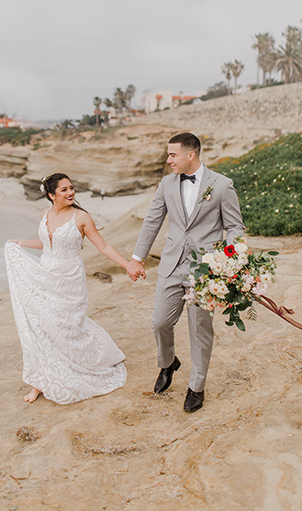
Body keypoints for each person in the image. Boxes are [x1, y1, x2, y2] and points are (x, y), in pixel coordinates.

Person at [126, 132, 244, 413]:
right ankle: (168, 362)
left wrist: (230, 259)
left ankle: (196, 387)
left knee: (200, 330)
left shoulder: (222, 185)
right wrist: (136, 258)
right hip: (171, 263)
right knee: (159, 323)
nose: (168, 160)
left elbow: (235, 227)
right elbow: (153, 220)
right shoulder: (166, 184)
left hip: (205, 271)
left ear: (190, 155)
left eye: (172, 155)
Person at [4, 172, 128, 405]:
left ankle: (88, 363)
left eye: (71, 188)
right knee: (42, 325)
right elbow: (46, 243)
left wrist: (127, 264)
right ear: (51, 195)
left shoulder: (81, 217)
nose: (70, 192)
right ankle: (39, 382)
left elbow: (103, 246)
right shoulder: (45, 214)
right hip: (45, 276)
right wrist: (20, 243)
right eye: (64, 189)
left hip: (69, 279)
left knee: (67, 326)